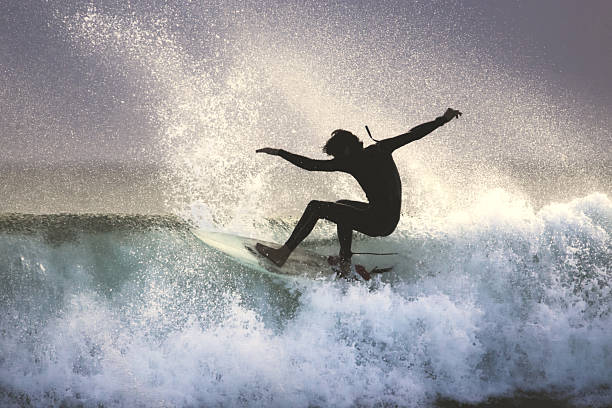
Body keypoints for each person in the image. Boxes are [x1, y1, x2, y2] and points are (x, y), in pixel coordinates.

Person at [256, 108, 462, 278]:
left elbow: (311, 165)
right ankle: (345, 261)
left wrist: (280, 152)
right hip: (388, 220)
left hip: (377, 221)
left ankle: (283, 253)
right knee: (341, 204)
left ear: (345, 150)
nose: (336, 158)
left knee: (315, 206)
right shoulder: (381, 148)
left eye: (336, 154)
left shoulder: (351, 162)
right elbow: (413, 134)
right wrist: (442, 119)